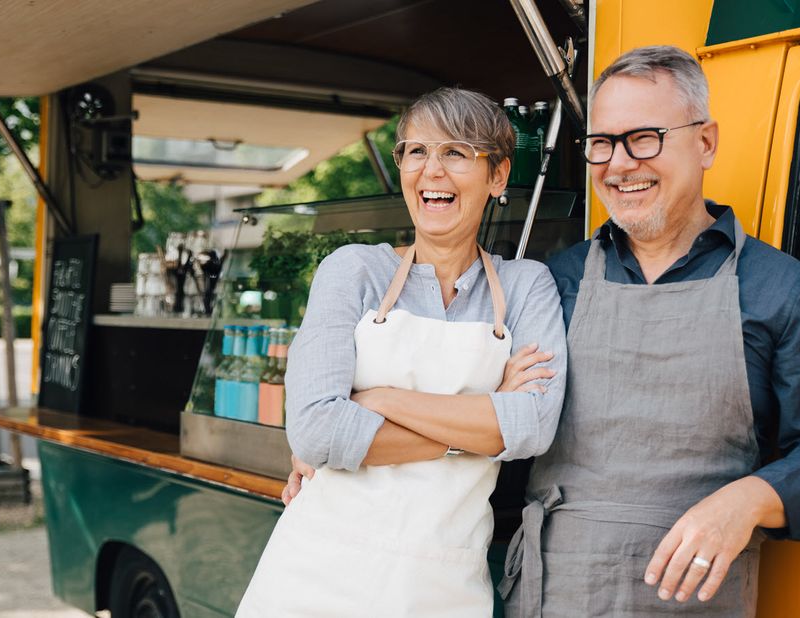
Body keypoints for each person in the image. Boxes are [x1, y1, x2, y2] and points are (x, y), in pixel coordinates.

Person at [500, 46, 800, 616]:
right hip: (560, 589)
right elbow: (487, 420)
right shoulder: (552, 281)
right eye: (603, 143)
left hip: (698, 600)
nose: (620, 164)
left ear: (705, 143)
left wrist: (748, 501)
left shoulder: (781, 288)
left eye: (644, 137)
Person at [236, 87, 568, 617]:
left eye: (456, 152)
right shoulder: (353, 270)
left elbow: (530, 427)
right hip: (317, 571)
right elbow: (316, 431)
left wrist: (377, 399)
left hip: (444, 579)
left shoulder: (526, 287)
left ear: (498, 176)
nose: (431, 171)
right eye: (417, 151)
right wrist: (480, 428)